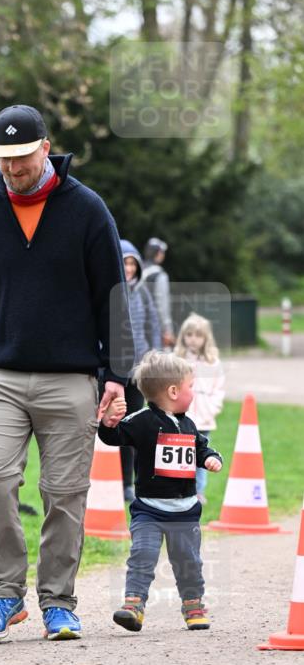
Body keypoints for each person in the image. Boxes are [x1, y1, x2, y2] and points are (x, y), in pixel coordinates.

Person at [0, 103, 132, 642]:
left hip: (72, 378)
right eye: (3, 159)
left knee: (64, 494)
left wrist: (117, 375)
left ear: (45, 148)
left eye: (21, 157)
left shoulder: (87, 210)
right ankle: (2, 596)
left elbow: (114, 298)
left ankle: (58, 602)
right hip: (3, 377)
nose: (13, 168)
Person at [99, 350, 223, 633]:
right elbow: (114, 437)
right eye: (191, 387)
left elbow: (201, 446)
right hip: (148, 510)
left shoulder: (189, 424)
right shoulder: (141, 420)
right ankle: (133, 605)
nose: (194, 392)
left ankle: (193, 604)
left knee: (188, 561)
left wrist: (210, 458)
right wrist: (108, 423)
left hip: (185, 512)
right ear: (173, 390)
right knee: (142, 555)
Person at [117, 240, 162, 502]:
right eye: (125, 263)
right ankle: (108, 480)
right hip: (111, 370)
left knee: (135, 428)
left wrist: (153, 358)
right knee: (111, 428)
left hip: (138, 370)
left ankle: (130, 483)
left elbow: (153, 324)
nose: (130, 269)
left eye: (133, 263)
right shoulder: (108, 290)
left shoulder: (142, 292)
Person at [174, 313, 225, 505]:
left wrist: (211, 409)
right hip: (181, 418)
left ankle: (199, 491)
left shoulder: (213, 363)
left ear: (205, 338)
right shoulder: (177, 360)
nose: (193, 339)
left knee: (202, 457)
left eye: (198, 335)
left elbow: (218, 390)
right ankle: (180, 489)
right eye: (189, 335)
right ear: (183, 336)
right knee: (181, 455)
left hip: (203, 419)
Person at [142, 237, 174, 348]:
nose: (163, 254)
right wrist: (167, 329)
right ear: (157, 253)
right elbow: (162, 305)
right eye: (161, 252)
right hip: (155, 326)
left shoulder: (138, 271)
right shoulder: (159, 275)